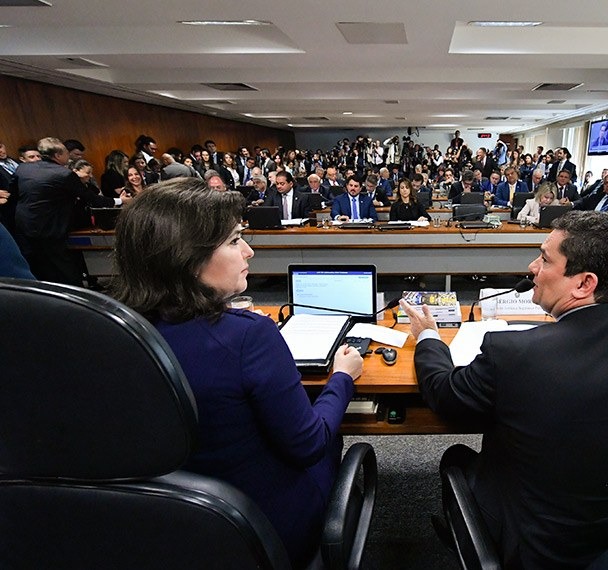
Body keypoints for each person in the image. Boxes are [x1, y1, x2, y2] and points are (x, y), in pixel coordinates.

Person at [399, 210, 608, 568]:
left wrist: (428, 337)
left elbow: (446, 396)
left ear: (583, 284)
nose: (532, 267)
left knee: (457, 458)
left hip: (538, 552)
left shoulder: (515, 355)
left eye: (545, 259)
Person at [110, 179, 363, 568]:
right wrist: (342, 377)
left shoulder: (109, 331)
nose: (249, 250)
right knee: (332, 440)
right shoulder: (248, 336)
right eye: (233, 241)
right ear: (187, 258)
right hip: (259, 531)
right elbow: (309, 444)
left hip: (160, 528)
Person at [12, 137, 122, 284]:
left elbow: (12, 194)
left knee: (39, 267)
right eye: (65, 153)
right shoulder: (63, 174)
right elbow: (91, 198)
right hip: (51, 228)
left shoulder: (23, 168)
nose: (68, 156)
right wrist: (120, 201)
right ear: (58, 155)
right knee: (65, 268)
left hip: (24, 226)